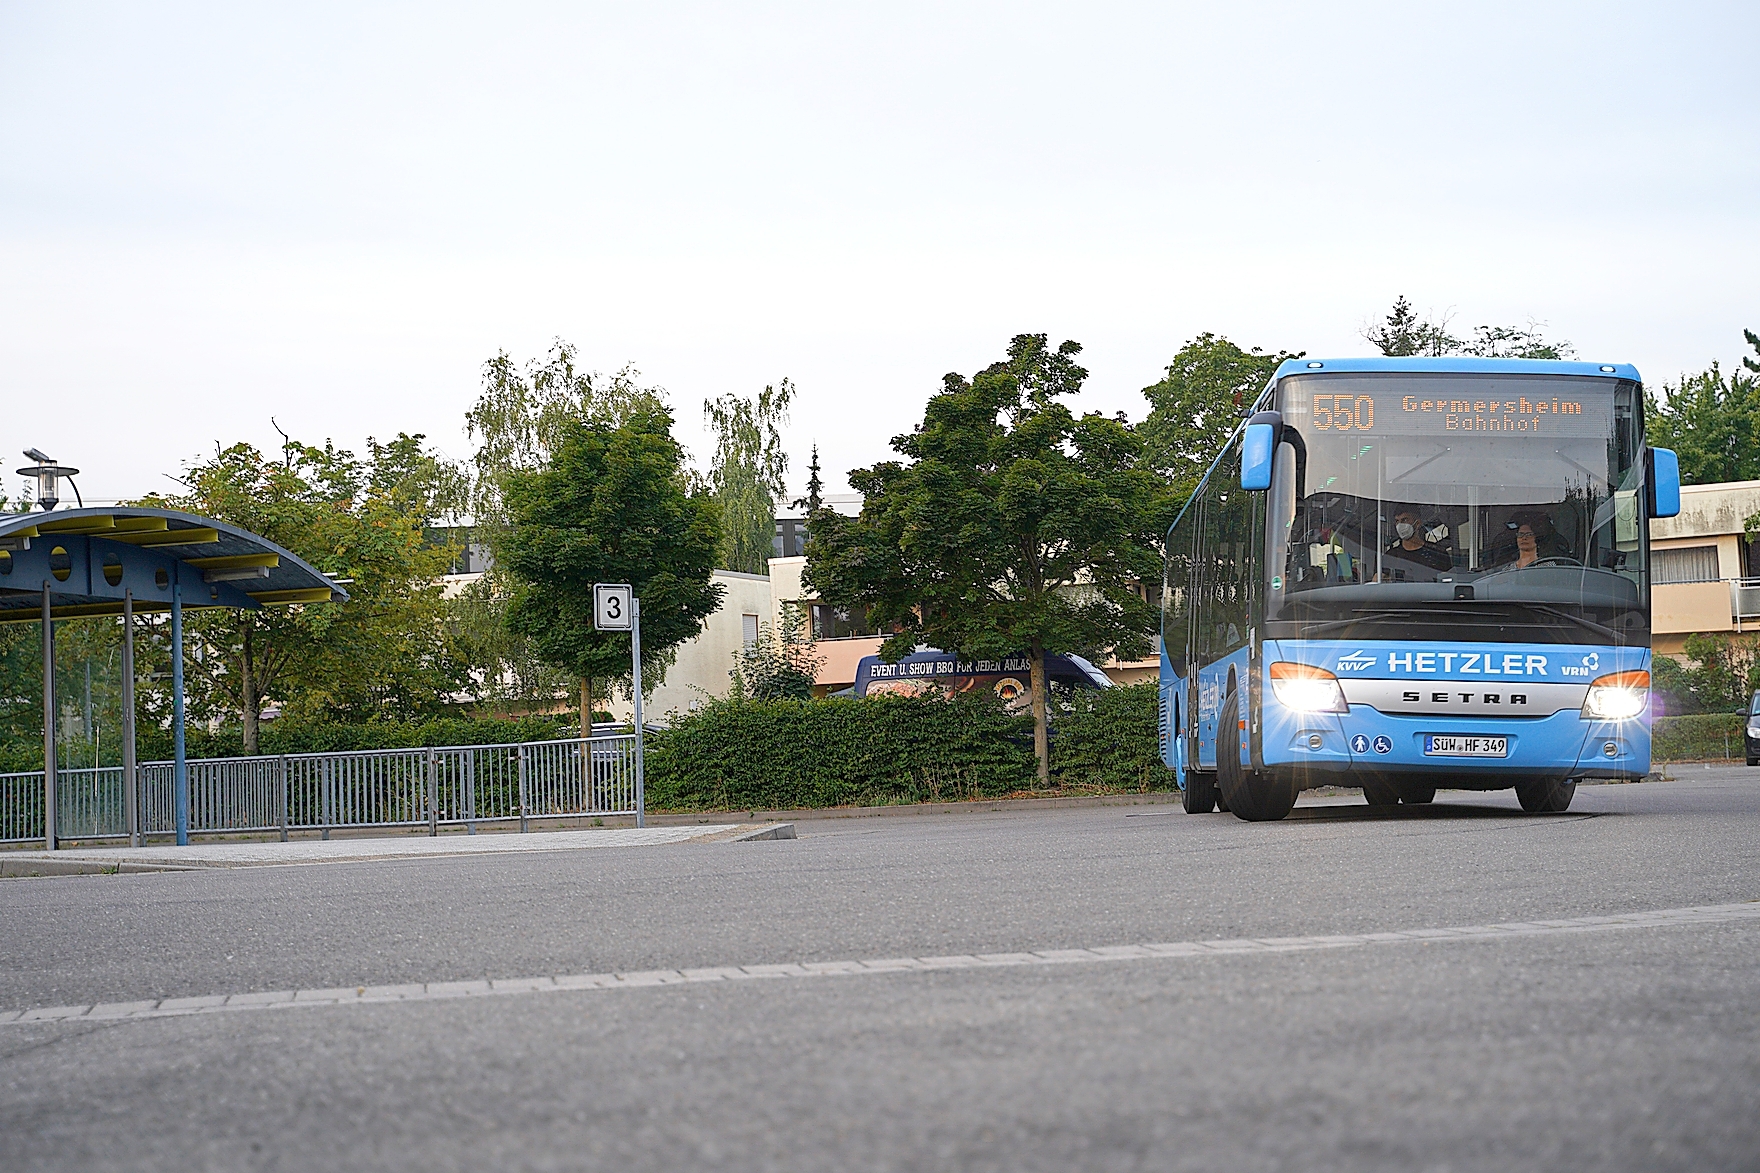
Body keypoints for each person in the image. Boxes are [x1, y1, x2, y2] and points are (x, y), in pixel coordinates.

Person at [1383, 508, 1452, 575]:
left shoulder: (1437, 553)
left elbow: (1449, 579)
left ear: (1417, 523)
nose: (1400, 525)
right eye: (1397, 521)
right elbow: (1379, 581)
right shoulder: (1390, 556)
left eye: (1404, 520)